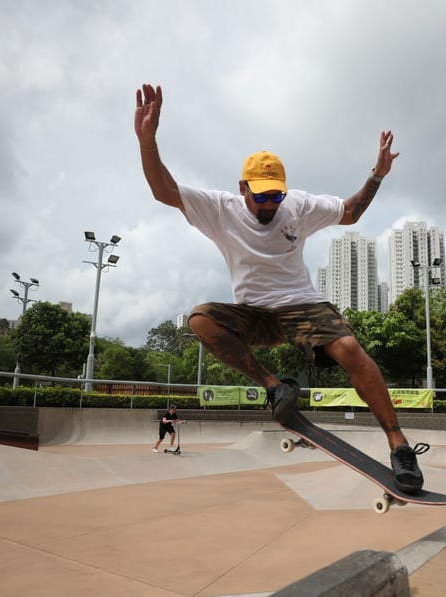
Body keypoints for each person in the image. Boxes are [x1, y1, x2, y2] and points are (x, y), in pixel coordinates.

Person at [133, 83, 427, 493]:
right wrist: (148, 142)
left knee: (348, 348)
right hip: (254, 314)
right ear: (243, 189)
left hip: (302, 306)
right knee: (200, 319)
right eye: (261, 197)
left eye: (276, 197)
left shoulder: (298, 206)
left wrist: (376, 175)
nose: (269, 205)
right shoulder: (219, 209)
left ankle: (399, 445)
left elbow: (350, 212)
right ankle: (274, 387)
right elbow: (164, 190)